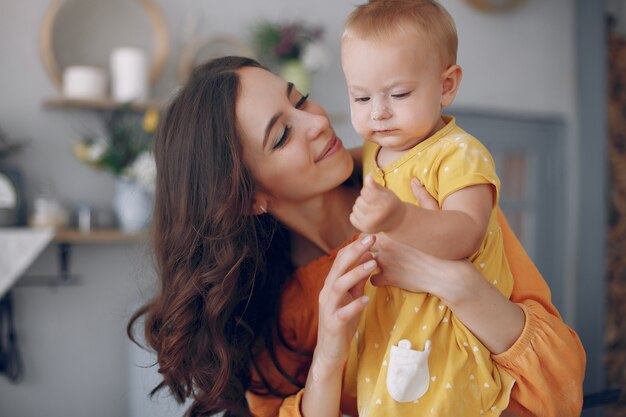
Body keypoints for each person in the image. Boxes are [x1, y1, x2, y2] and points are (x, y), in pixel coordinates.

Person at [127, 56, 585, 417]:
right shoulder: (277, 307)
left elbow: (560, 395)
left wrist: (454, 281)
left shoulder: (433, 191)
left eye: (300, 99)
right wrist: (329, 353)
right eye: (283, 134)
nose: (317, 122)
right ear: (248, 198)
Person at [339, 1, 516, 415]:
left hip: (447, 335)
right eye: (361, 97)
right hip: (391, 330)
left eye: (398, 94)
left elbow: (466, 232)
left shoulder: (458, 154)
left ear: (446, 85)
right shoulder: (375, 149)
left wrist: (399, 218)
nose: (378, 111)